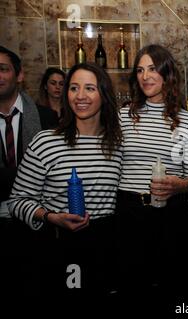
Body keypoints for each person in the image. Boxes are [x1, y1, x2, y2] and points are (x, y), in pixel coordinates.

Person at [8, 62, 123, 296]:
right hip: (62, 243)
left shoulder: (117, 143)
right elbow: (17, 201)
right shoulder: (46, 142)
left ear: (104, 94)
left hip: (108, 244)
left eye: (90, 88)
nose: (80, 96)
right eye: (73, 88)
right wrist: (51, 217)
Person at [116, 44, 188, 300]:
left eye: (152, 69)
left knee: (173, 285)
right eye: (140, 70)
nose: (145, 76)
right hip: (129, 212)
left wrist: (179, 186)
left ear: (167, 73)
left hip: (171, 215)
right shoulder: (123, 116)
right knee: (132, 285)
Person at [0, 46, 60, 295]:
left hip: (37, 228)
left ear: (19, 75)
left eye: (3, 69)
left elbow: (54, 174)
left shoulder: (47, 119)